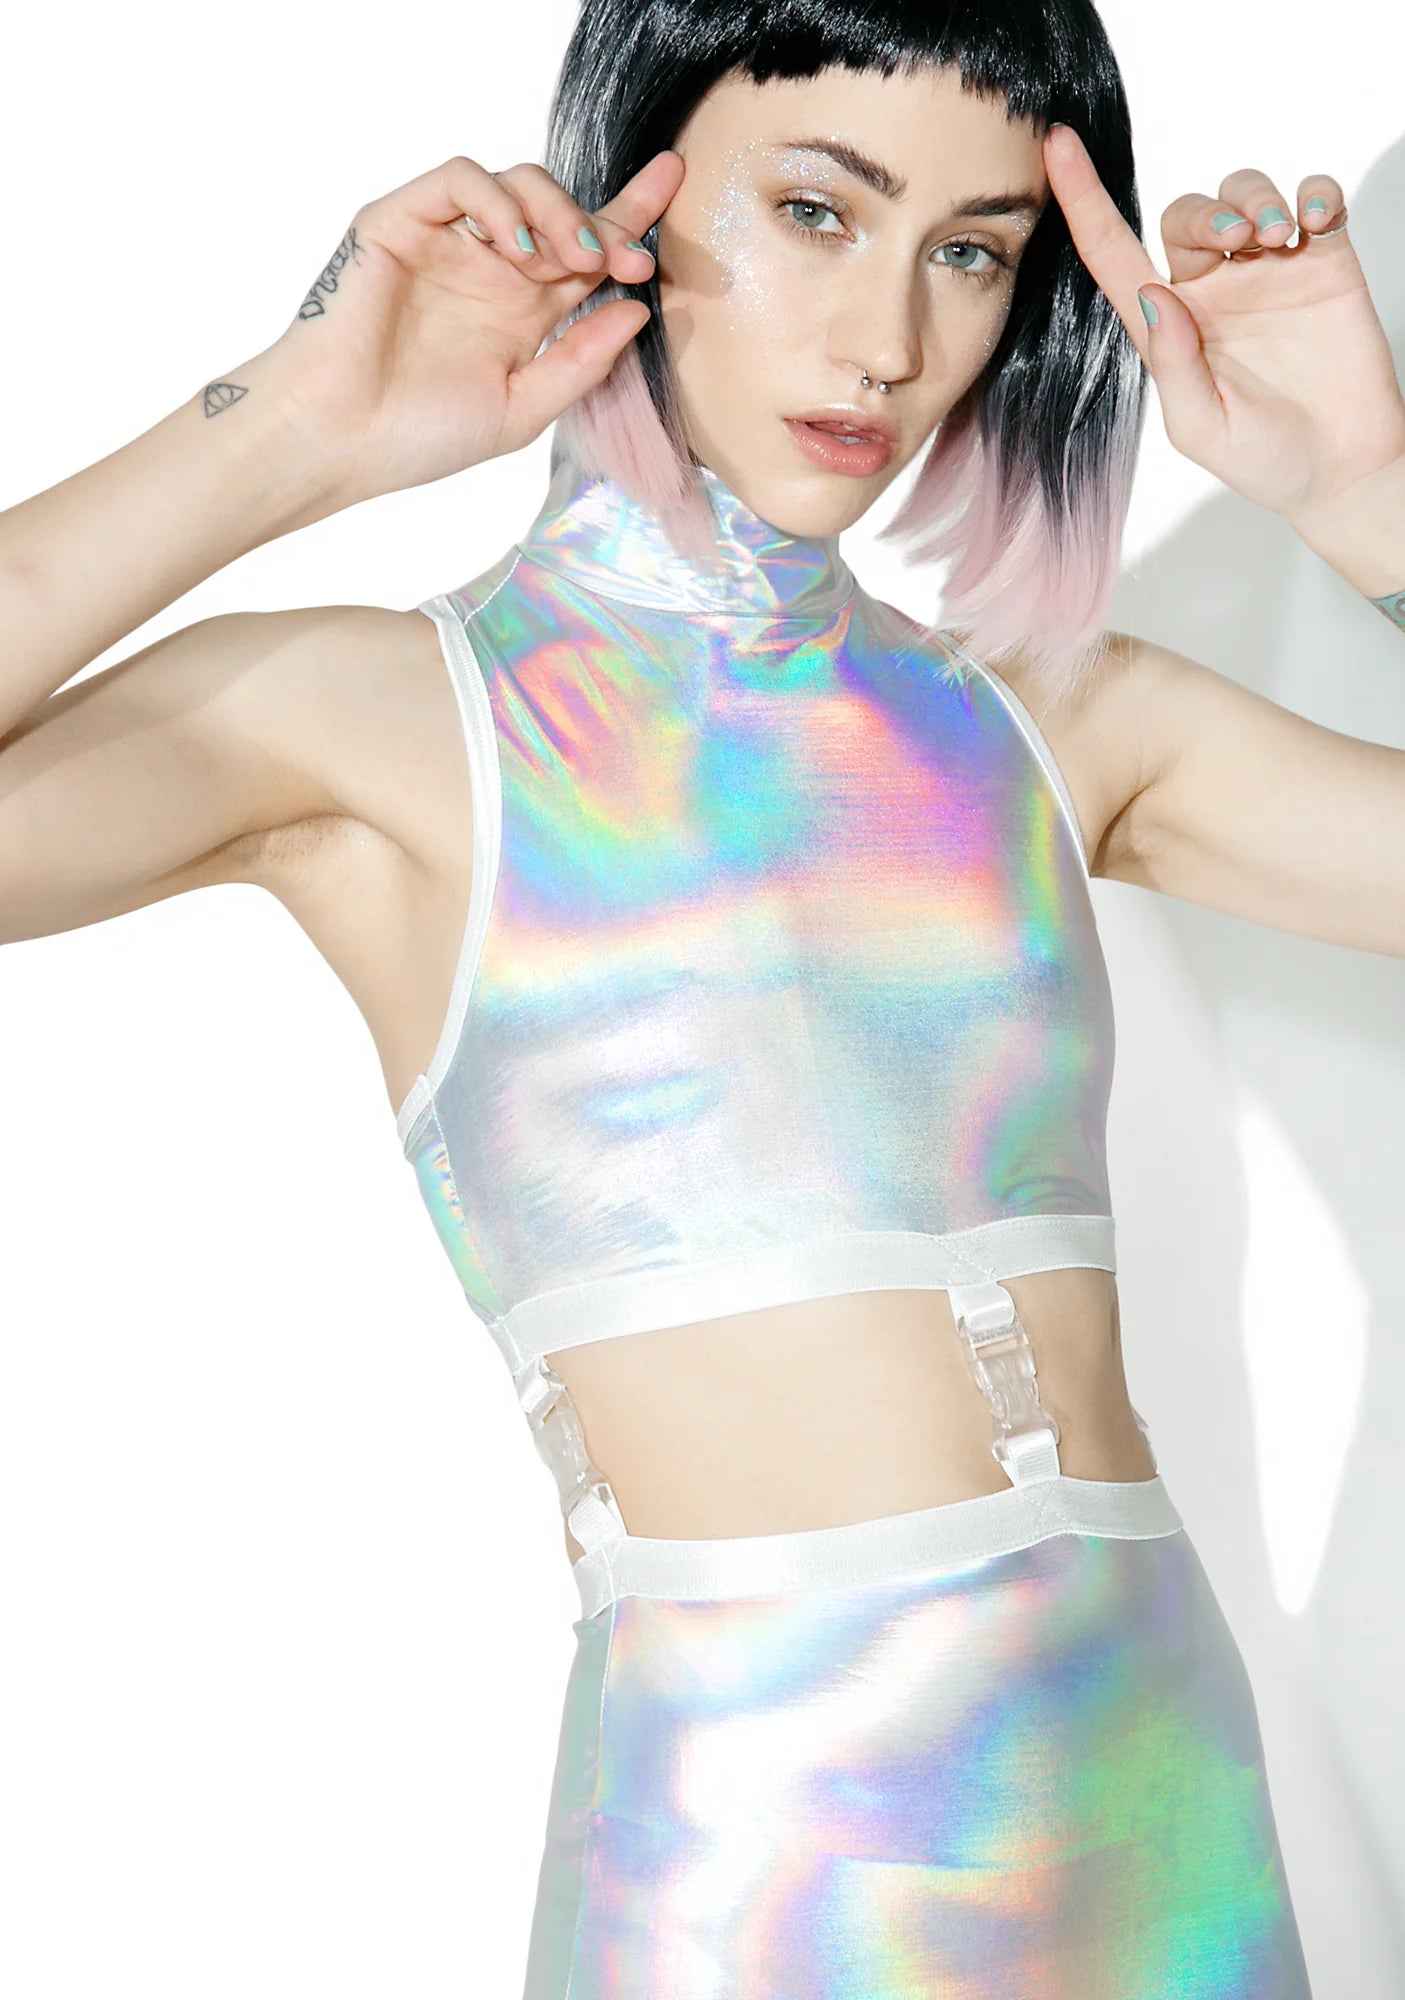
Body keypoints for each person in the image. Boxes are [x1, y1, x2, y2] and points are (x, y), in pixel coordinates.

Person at [4, 0, 1403, 1990]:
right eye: (817, 212)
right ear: (632, 195)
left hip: (1161, 1826)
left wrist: (1371, 494)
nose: (888, 340)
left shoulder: (1049, 720)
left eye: (970, 249)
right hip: (754, 1869)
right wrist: (294, 426)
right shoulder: (393, 725)